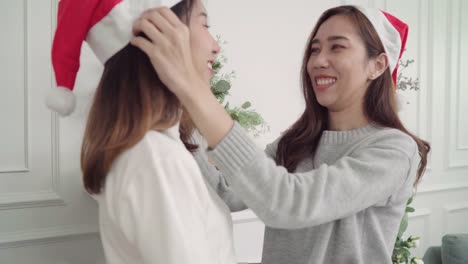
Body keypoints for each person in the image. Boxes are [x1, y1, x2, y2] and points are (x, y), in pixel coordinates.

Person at [131, 4, 431, 264]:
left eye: (336, 47)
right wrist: (180, 112)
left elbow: (288, 204)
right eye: (314, 49)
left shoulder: (394, 150)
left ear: (377, 65)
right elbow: (225, 192)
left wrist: (191, 89)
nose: (317, 61)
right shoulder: (295, 143)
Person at [46, 0, 236, 263]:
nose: (215, 46)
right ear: (163, 36)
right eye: (204, 24)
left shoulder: (151, 151)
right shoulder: (157, 160)